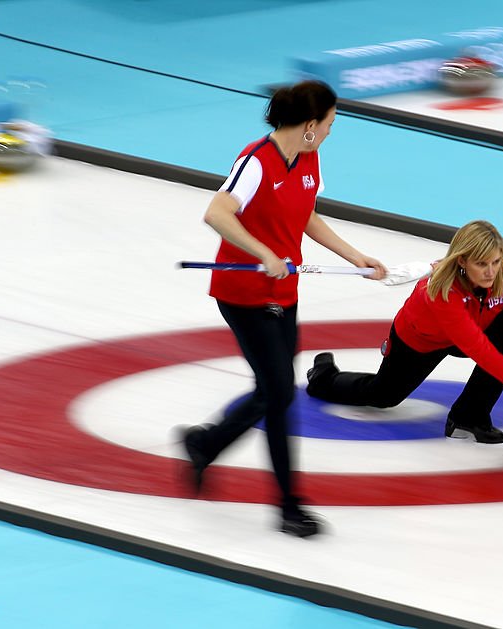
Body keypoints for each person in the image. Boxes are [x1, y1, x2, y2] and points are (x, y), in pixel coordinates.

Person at [178, 80, 387, 538]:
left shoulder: (310, 158)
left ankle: (204, 442)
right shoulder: (255, 160)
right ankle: (289, 506)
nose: (333, 131)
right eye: (330, 123)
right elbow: (217, 212)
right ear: (310, 125)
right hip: (244, 293)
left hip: (284, 294)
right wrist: (262, 253)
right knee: (279, 393)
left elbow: (306, 214)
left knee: (272, 390)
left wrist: (355, 257)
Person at [305, 220, 503, 443]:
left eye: (496, 261)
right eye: (482, 264)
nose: (491, 271)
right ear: (463, 261)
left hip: (473, 328)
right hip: (420, 342)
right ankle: (324, 376)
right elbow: (478, 347)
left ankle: (469, 416)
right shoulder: (441, 291)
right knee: (383, 397)